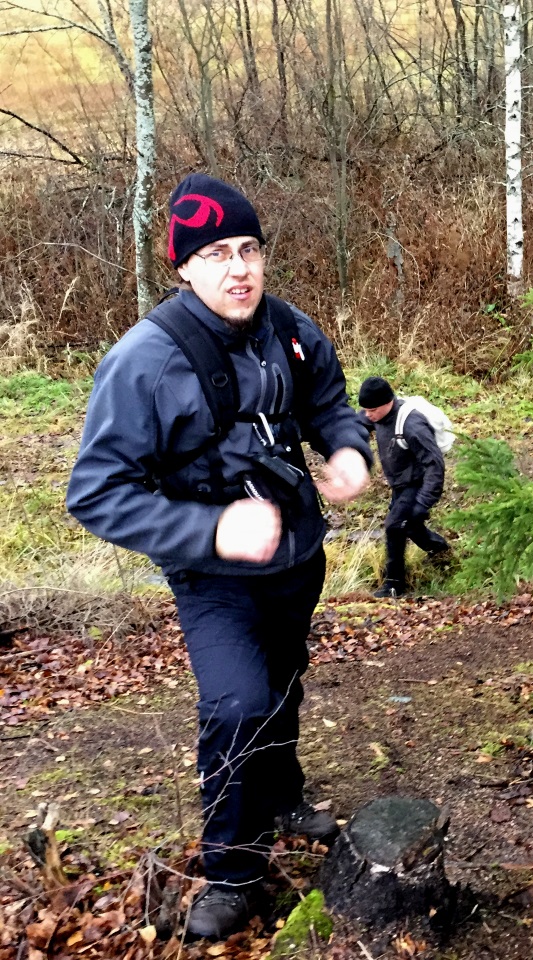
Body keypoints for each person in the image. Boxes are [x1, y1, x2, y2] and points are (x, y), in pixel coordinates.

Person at [67, 173, 372, 941]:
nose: (238, 268)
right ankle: (233, 870)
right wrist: (210, 534)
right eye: (215, 255)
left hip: (299, 557)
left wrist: (347, 450)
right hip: (214, 578)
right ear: (183, 268)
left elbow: (329, 402)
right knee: (235, 702)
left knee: (282, 683)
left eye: (248, 249)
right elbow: (96, 494)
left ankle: (282, 795)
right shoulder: (142, 361)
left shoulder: (291, 330)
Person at [358, 377, 449, 597]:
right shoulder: (378, 414)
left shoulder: (412, 425)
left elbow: (435, 465)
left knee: (394, 526)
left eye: (372, 410)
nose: (368, 415)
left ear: (388, 402)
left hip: (418, 483)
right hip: (400, 483)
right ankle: (441, 552)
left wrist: (423, 502)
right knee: (410, 525)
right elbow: (359, 421)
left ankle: (394, 584)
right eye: (365, 410)